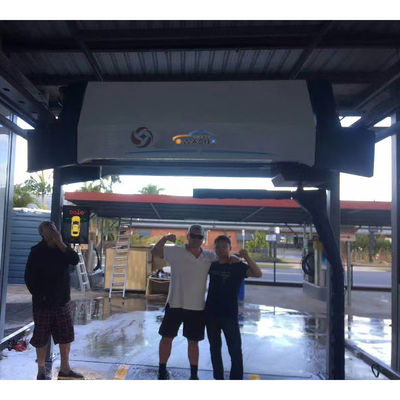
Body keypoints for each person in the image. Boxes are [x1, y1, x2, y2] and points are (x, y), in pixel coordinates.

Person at [151, 224, 239, 380]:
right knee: (166, 338)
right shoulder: (175, 251)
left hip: (196, 307)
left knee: (193, 342)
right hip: (175, 303)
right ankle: (162, 370)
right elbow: (155, 251)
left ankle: (193, 375)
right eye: (193, 235)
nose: (196, 239)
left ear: (203, 239)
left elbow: (224, 257)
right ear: (188, 236)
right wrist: (165, 238)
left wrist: (235, 258)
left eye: (200, 237)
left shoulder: (209, 256)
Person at [24, 221, 84, 380]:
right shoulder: (36, 251)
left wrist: (60, 242)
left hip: (61, 301)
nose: (52, 232)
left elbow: (74, 259)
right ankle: (41, 371)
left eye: (54, 229)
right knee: (41, 337)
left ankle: (65, 368)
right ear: (42, 234)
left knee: (66, 336)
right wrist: (40, 295)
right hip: (42, 303)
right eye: (48, 230)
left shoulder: (63, 248)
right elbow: (29, 278)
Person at [205, 235, 262, 380]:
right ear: (214, 249)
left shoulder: (238, 266)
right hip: (211, 314)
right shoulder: (211, 265)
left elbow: (258, 273)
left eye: (224, 246)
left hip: (229, 315)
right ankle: (218, 378)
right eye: (218, 247)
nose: (221, 249)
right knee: (214, 348)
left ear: (230, 248)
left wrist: (246, 257)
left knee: (235, 349)